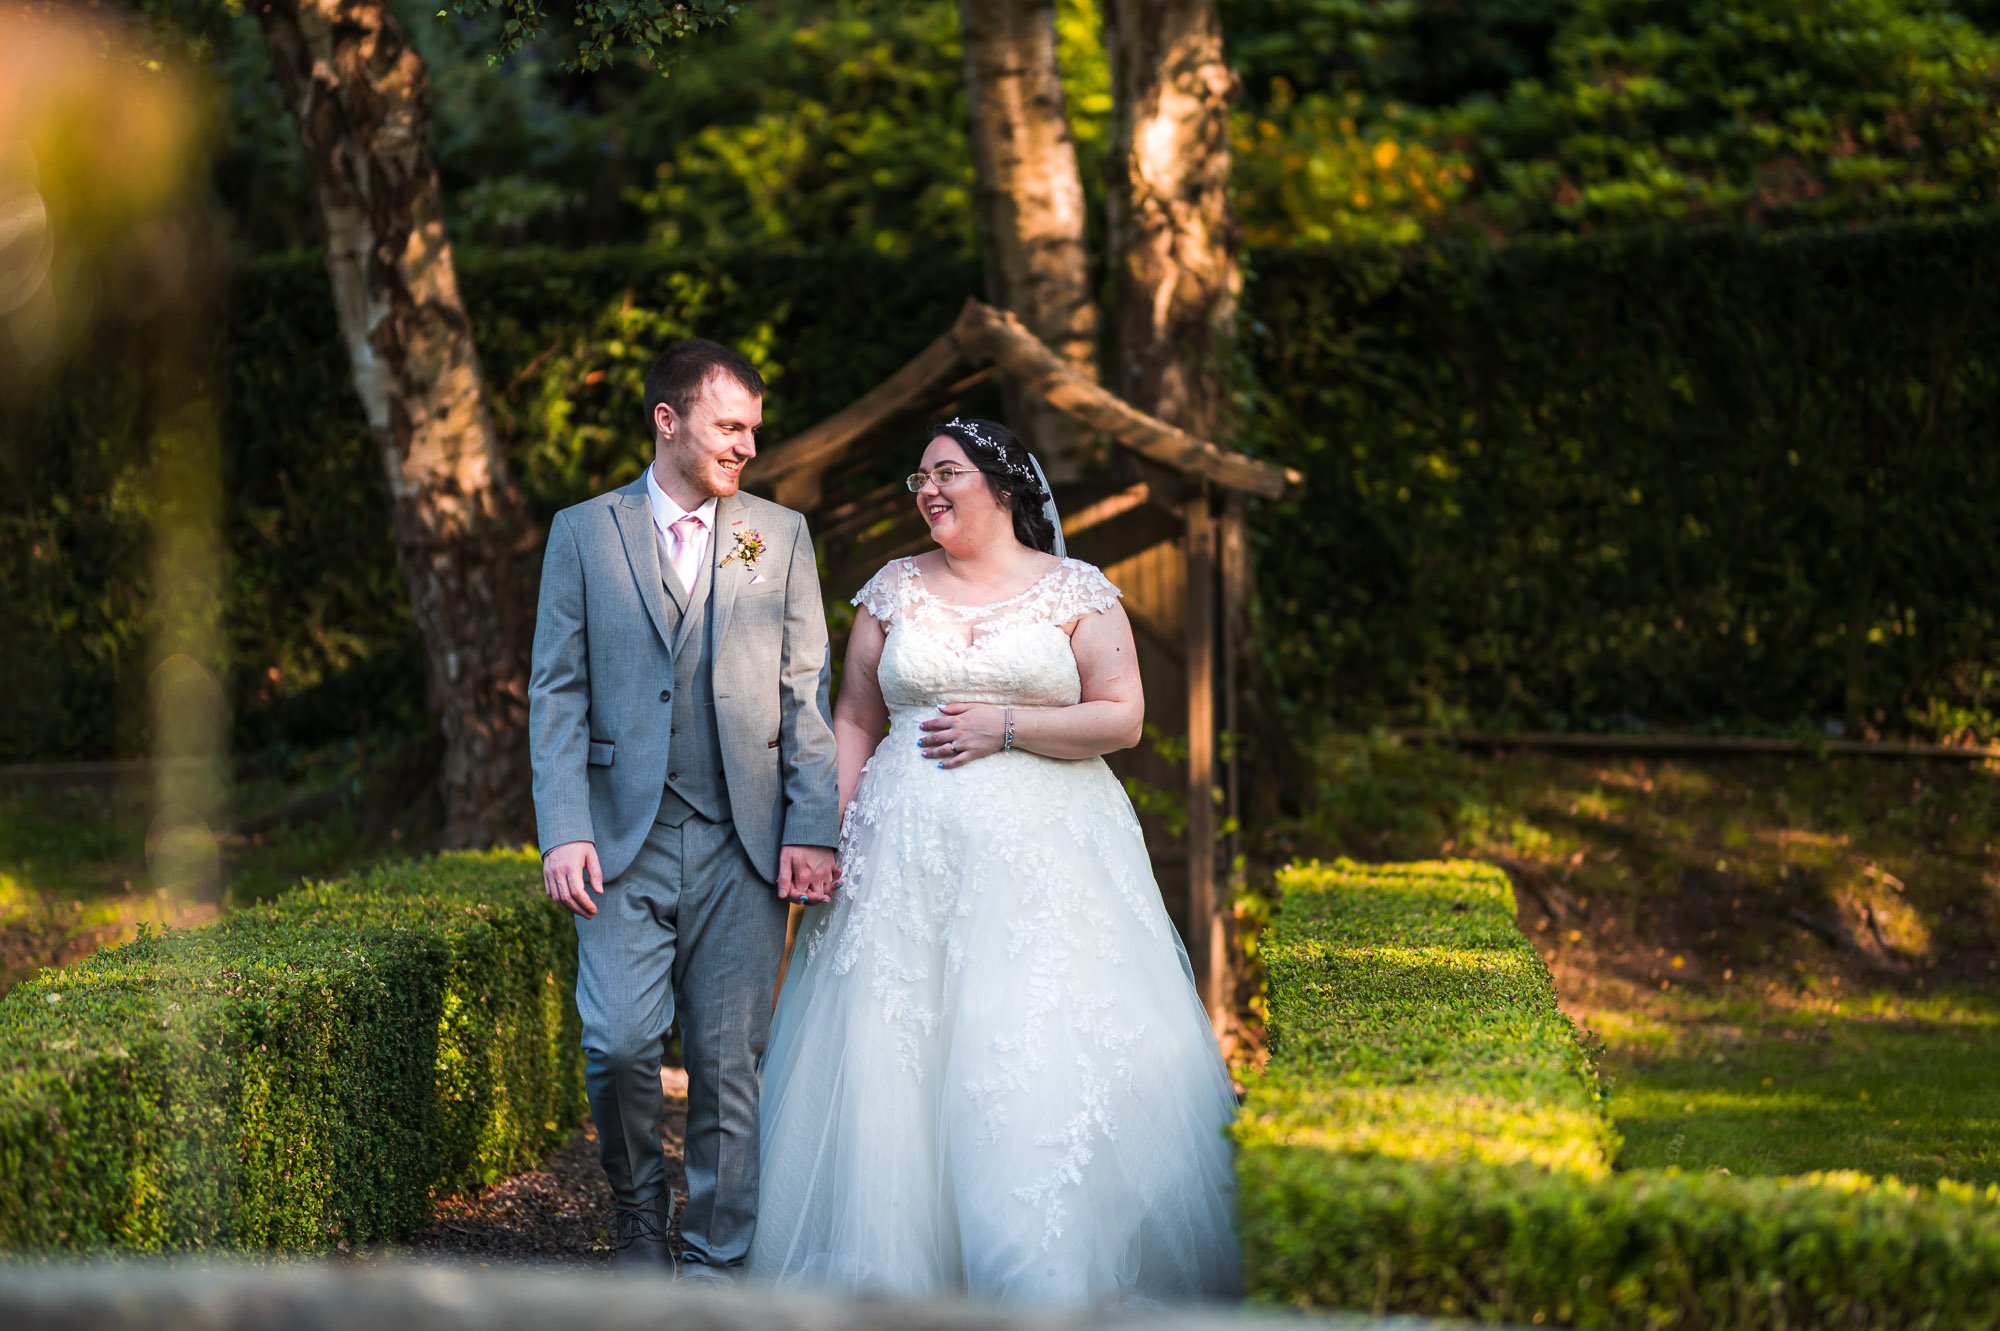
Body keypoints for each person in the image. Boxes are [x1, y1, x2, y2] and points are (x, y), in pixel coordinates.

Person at [750, 417, 1241, 1304]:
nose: (929, 490)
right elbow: (855, 716)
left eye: (948, 473)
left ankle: (1034, 1282)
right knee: (892, 1056)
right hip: (900, 865)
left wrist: (1008, 725)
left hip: (1044, 869)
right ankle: (891, 1287)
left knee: (1024, 1044)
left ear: (1005, 486)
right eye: (920, 478)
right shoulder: (893, 590)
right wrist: (831, 827)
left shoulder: (1076, 592)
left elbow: (1122, 715)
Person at [528, 338, 840, 1278]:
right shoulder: (583, 532)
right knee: (618, 1041)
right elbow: (557, 691)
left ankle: (714, 1259)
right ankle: (635, 1217)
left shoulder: (778, 535)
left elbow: (806, 694)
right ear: (668, 422)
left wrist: (811, 827)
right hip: (620, 838)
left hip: (743, 840)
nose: (748, 445)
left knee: (727, 1063)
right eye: (729, 426)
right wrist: (564, 826)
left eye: (753, 428)